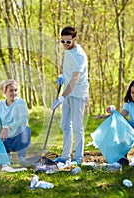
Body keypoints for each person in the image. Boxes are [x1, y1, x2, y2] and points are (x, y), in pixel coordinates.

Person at [52, 26, 89, 165]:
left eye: (68, 42)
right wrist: (62, 75)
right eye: (63, 41)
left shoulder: (79, 55)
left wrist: (62, 97)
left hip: (78, 93)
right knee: (65, 125)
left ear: (75, 39)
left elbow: (75, 80)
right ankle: (65, 156)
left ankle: (78, 158)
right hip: (68, 90)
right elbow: (69, 71)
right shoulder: (67, 51)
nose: (65, 45)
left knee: (77, 126)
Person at [0, 79, 32, 166]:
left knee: (25, 128)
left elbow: (23, 120)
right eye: (11, 90)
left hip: (20, 138)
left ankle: (22, 158)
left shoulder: (20, 102)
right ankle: (5, 158)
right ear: (4, 92)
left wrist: (7, 127)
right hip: (6, 138)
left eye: (16, 90)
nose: (14, 93)